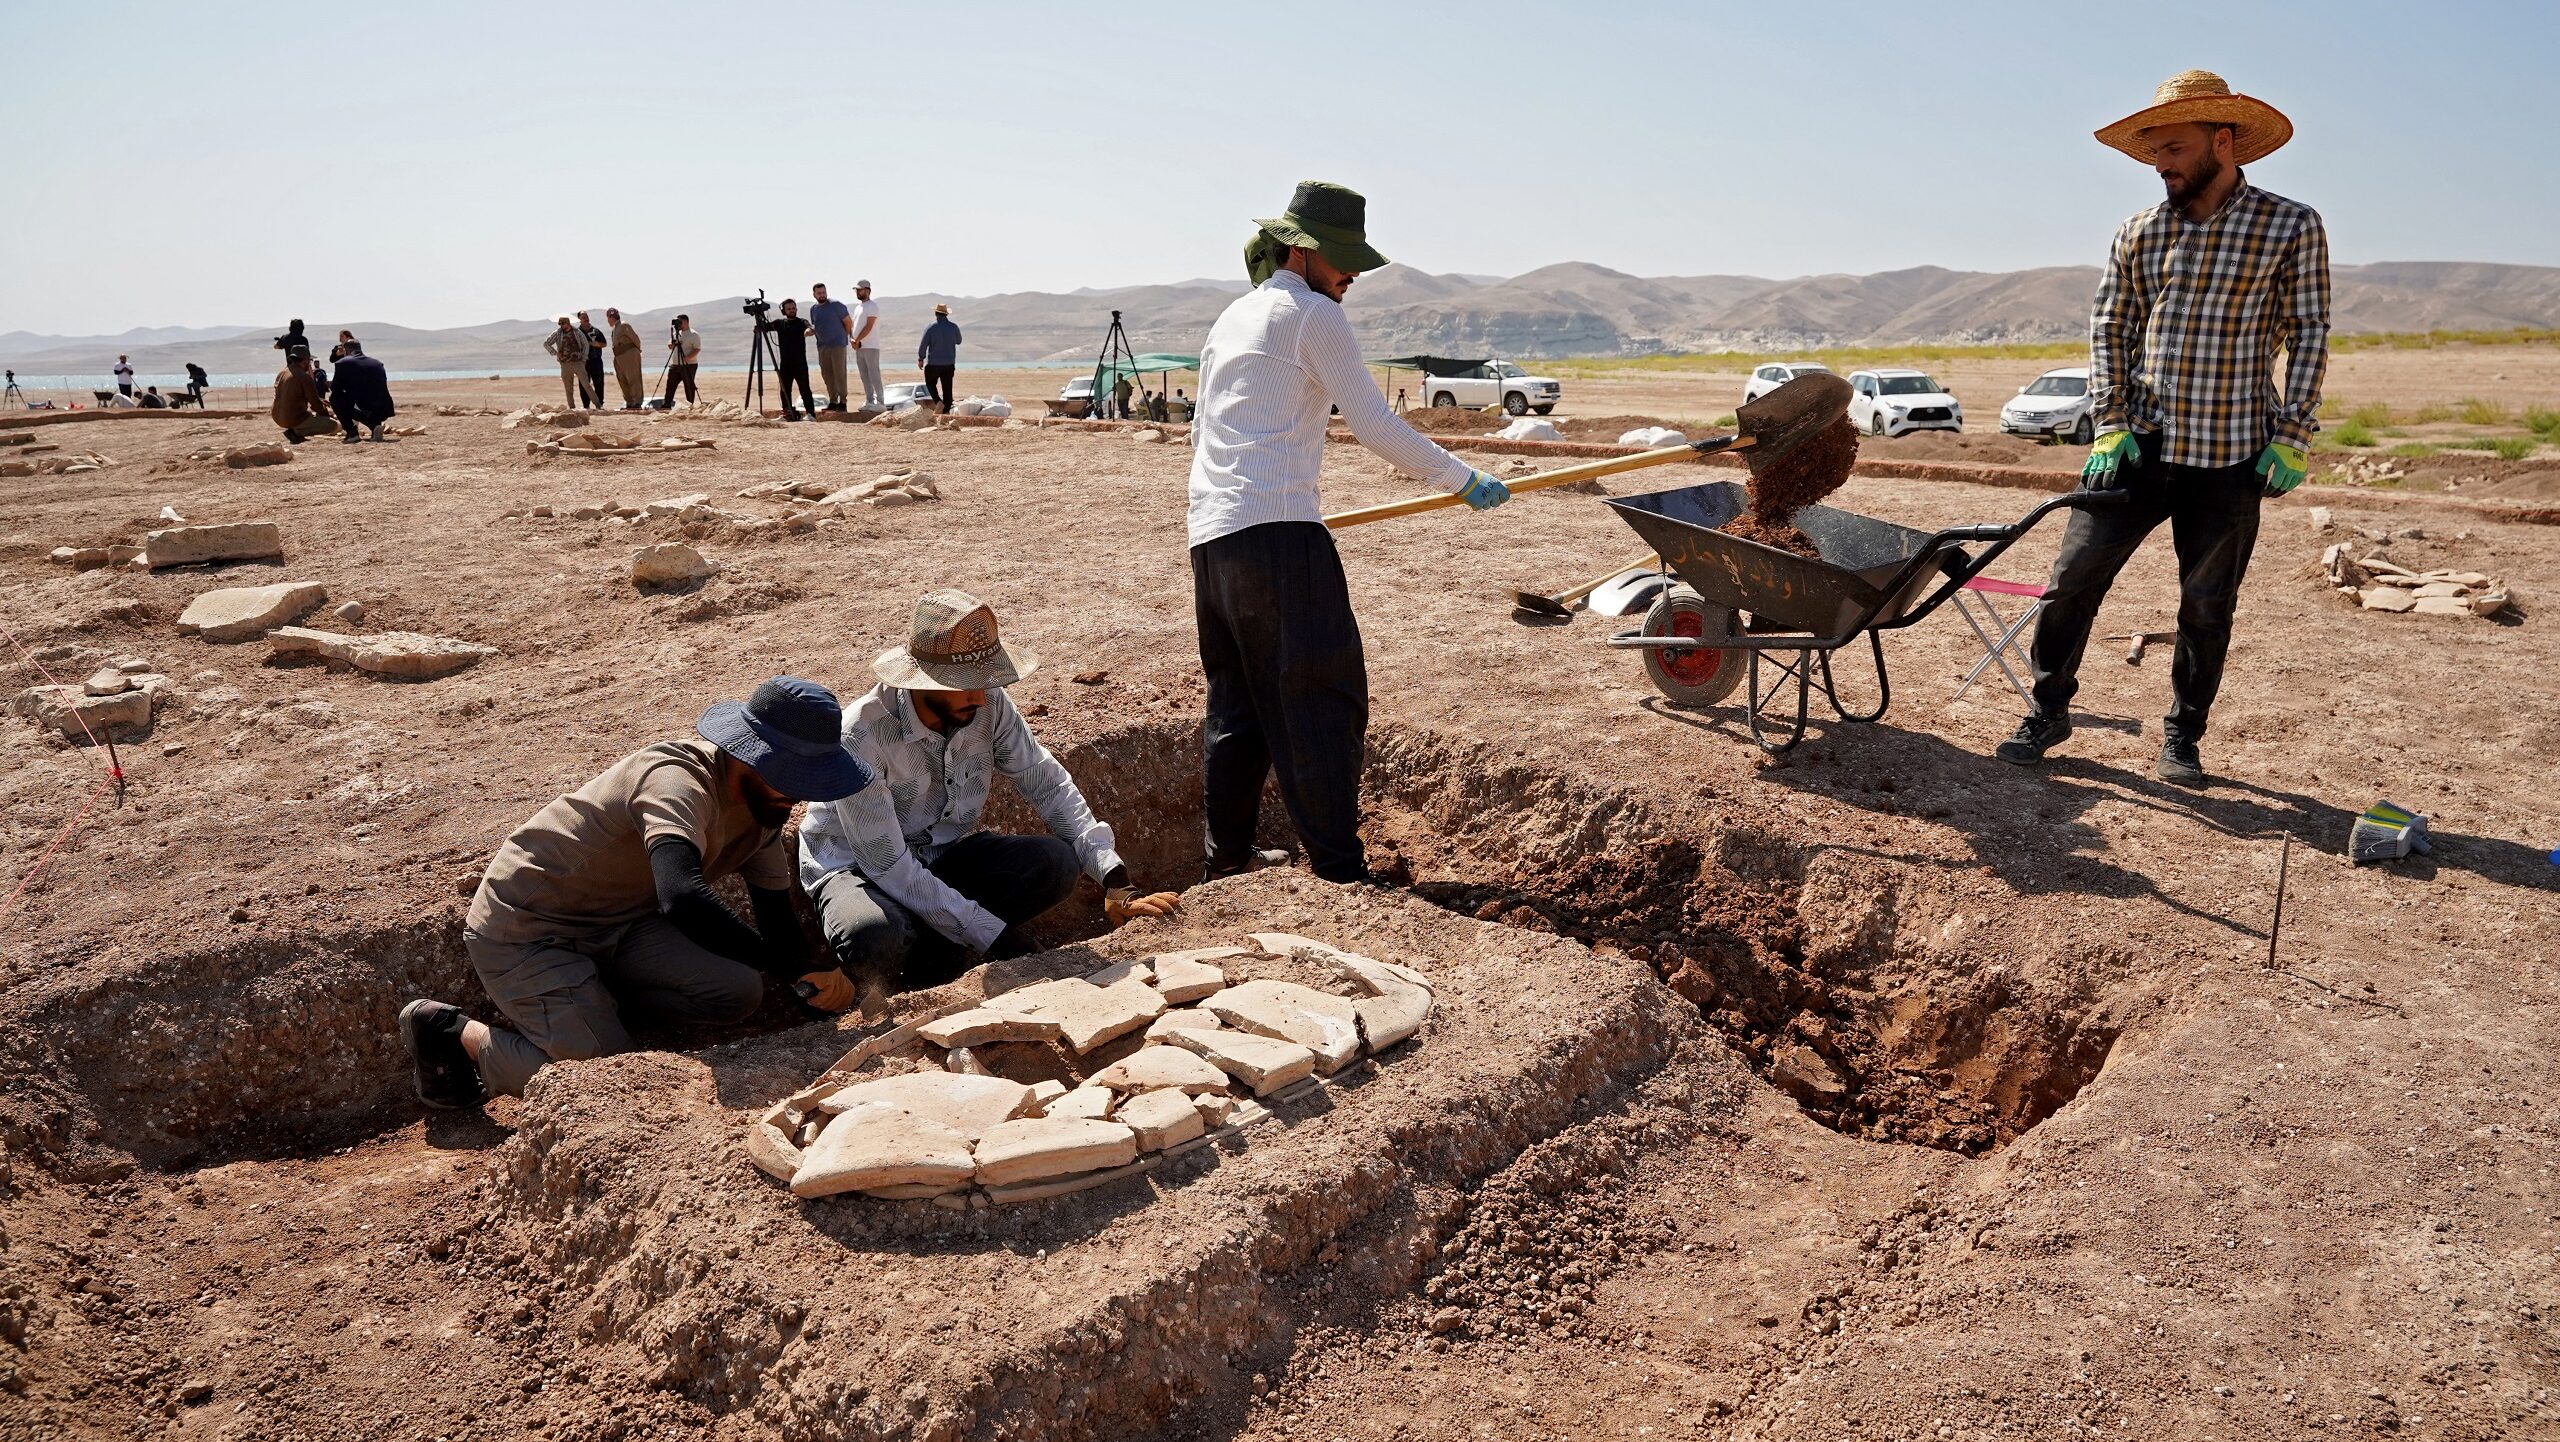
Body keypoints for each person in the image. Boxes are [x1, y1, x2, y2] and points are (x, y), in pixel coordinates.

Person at [1996, 71, 2329, 790]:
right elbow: (2110, 328)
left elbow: (2309, 332)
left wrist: (2293, 433)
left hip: (2233, 455)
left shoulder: (2290, 225)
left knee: (2206, 607)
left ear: (2222, 141)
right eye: (2154, 153)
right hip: (2137, 444)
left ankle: (2183, 736)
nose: (2161, 165)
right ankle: (2047, 711)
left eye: (2174, 149)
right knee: (2069, 583)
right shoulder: (2139, 232)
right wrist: (2109, 422)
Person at [1189, 181, 1512, 884]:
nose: (1352, 275)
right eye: (1343, 259)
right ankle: (1339, 868)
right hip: (1279, 536)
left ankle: (1227, 862)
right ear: (1300, 252)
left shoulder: (1231, 318)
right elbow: (1373, 422)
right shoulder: (1314, 315)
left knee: (1239, 708)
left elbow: (1202, 432)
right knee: (1321, 697)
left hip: (1212, 539)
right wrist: (1460, 478)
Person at [396, 678, 875, 1109]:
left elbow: (775, 916)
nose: (797, 794)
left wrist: (812, 980)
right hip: (528, 929)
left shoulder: (763, 809)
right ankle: (456, 1034)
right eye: (789, 777)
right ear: (747, 754)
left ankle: (590, 1010)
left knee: (738, 992)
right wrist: (790, 966)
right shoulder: (675, 781)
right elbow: (682, 897)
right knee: (608, 1084)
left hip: (619, 922)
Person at [798, 592, 1179, 1010]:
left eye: (985, 682)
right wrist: (999, 938)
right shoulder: (860, 736)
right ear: (923, 680)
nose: (980, 698)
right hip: (859, 868)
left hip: (937, 854)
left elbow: (1046, 782)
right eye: (966, 685)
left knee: (1056, 864)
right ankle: (887, 982)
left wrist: (1114, 878)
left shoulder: (988, 703)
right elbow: (888, 865)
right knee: (873, 934)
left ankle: (939, 957)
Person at [329, 338, 395, 442]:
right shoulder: (377, 363)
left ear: (346, 351)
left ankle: (352, 433)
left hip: (366, 408)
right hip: (384, 408)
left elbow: (335, 389)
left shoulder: (343, 363)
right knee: (363, 401)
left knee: (335, 399)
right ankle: (375, 426)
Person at [271, 349, 336, 443]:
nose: (310, 364)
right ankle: (296, 432)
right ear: (305, 360)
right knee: (335, 425)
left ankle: (296, 429)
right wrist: (327, 415)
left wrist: (320, 401)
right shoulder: (304, 377)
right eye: (310, 361)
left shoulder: (282, 372)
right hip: (292, 419)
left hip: (277, 416)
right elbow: (315, 404)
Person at [768, 297, 815, 420]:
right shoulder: (779, 323)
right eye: (788, 309)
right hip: (785, 364)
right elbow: (764, 327)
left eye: (793, 308)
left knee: (805, 389)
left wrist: (809, 331)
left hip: (800, 363)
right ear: (784, 311)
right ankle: (787, 413)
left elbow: (810, 328)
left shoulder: (802, 322)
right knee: (784, 390)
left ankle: (811, 414)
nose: (791, 310)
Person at [808, 282, 852, 412]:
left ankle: (843, 402)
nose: (822, 295)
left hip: (838, 345)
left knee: (840, 373)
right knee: (827, 374)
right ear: (814, 294)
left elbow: (848, 322)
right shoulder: (813, 309)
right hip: (822, 346)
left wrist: (844, 337)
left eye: (823, 292)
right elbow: (816, 324)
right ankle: (833, 401)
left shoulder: (836, 305)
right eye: (819, 293)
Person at [917, 303, 961, 413]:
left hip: (933, 364)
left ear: (936, 314)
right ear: (946, 314)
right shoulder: (953, 327)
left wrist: (921, 358)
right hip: (949, 363)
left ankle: (937, 401)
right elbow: (959, 341)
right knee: (947, 388)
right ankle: (946, 412)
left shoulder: (931, 328)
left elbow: (923, 344)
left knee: (930, 383)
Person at [850, 279, 884, 410]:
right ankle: (869, 400)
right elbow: (854, 326)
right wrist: (852, 339)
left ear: (868, 291)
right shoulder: (858, 308)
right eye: (857, 290)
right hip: (859, 347)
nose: (858, 292)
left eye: (860, 290)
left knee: (874, 374)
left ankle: (880, 402)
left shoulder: (872, 306)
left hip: (870, 346)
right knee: (864, 375)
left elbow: (869, 326)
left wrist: (857, 339)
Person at [543, 316, 589, 410]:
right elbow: (546, 343)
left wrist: (584, 358)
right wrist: (555, 353)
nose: (561, 326)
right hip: (565, 363)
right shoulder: (557, 333)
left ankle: (598, 405)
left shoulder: (576, 332)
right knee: (568, 388)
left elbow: (585, 344)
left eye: (563, 324)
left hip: (577, 362)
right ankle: (572, 408)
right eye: (559, 324)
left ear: (568, 323)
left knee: (587, 385)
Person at [606, 308, 644, 410]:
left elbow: (635, 338)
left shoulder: (623, 325)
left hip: (629, 354)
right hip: (619, 356)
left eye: (608, 318)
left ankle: (637, 402)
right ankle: (629, 402)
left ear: (611, 317)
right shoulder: (615, 328)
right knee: (623, 380)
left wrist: (637, 352)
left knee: (633, 378)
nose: (608, 321)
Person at [662, 315, 702, 405]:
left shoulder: (693, 334)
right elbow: (670, 345)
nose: (678, 324)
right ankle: (667, 404)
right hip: (675, 365)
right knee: (670, 385)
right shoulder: (676, 333)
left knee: (689, 386)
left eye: (680, 322)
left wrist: (688, 357)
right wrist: (672, 344)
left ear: (686, 322)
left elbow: (697, 349)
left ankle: (690, 404)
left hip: (689, 365)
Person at [577, 311, 609, 411]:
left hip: (596, 361)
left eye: (586, 316)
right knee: (584, 384)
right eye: (583, 317)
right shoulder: (577, 332)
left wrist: (596, 344)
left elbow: (604, 343)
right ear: (579, 320)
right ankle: (586, 405)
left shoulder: (596, 331)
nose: (586, 318)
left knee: (599, 383)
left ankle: (600, 404)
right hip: (583, 362)